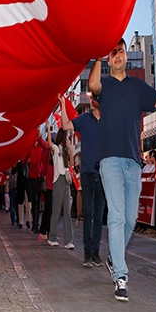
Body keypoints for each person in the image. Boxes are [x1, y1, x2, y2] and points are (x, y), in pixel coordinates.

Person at [90, 36, 156, 302]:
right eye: (112, 53)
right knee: (118, 216)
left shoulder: (137, 87)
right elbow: (93, 84)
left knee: (131, 220)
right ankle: (121, 276)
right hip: (109, 159)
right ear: (108, 60)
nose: (117, 55)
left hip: (133, 161)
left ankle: (114, 257)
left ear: (126, 56)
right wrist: (98, 56)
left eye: (120, 50)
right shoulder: (105, 85)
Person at [61, 96, 104, 267]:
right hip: (87, 172)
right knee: (89, 213)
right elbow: (65, 125)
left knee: (99, 216)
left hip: (104, 173)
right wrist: (62, 105)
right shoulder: (85, 119)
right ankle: (87, 253)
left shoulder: (109, 120)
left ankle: (96, 252)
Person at [47, 126, 75, 249]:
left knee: (67, 212)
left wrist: (71, 151)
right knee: (57, 210)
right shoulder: (56, 148)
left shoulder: (66, 150)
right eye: (66, 135)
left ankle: (68, 241)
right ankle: (52, 237)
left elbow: (72, 165)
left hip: (66, 181)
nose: (67, 138)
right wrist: (48, 128)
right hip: (58, 180)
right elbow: (49, 144)